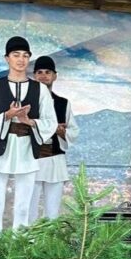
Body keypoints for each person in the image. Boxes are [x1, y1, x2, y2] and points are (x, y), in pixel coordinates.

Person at [0, 36, 57, 232]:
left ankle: (19, 245)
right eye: (16, 55)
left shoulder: (40, 89)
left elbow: (51, 122)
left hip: (26, 148)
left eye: (25, 55)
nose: (21, 59)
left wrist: (28, 121)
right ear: (7, 58)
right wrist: (7, 115)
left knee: (23, 208)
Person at [29, 56, 79, 222]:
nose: (43, 76)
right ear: (34, 76)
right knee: (28, 210)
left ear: (54, 76)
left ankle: (50, 239)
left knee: (52, 213)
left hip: (55, 160)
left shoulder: (63, 103)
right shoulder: (26, 103)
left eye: (47, 72)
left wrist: (60, 131)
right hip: (31, 159)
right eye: (39, 72)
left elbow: (73, 131)